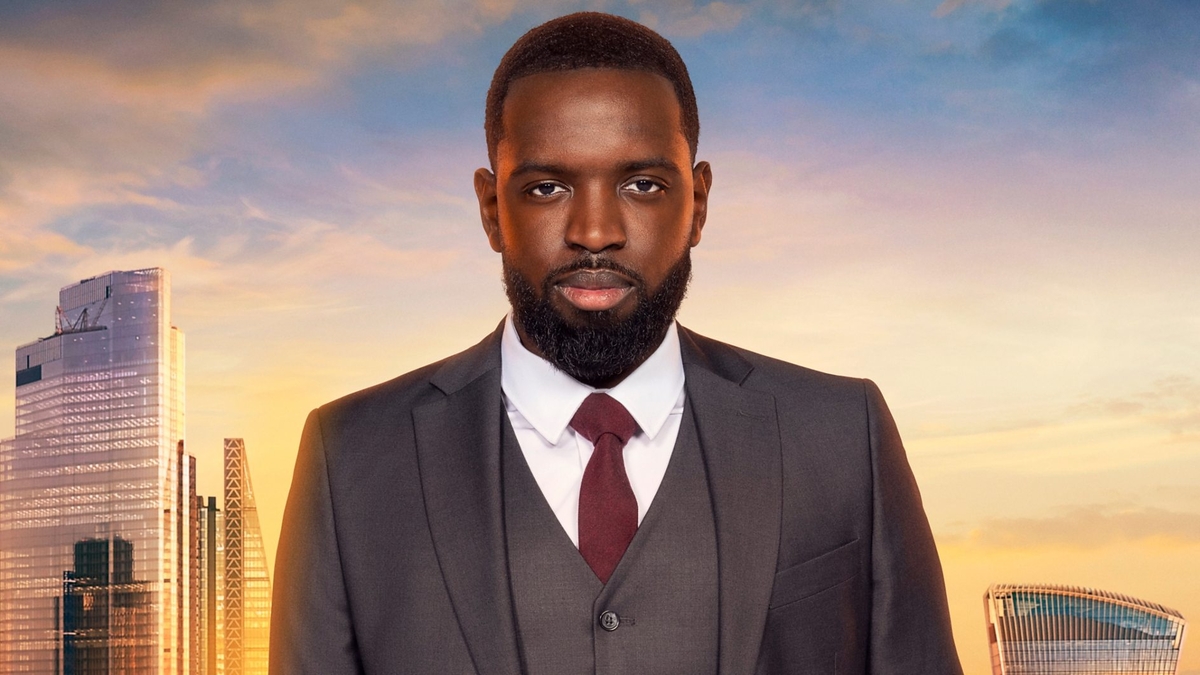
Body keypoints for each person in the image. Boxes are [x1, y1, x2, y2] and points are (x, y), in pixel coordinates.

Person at [270, 11, 963, 675]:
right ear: (491, 211)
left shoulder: (842, 434)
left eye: (641, 183)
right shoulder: (353, 456)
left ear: (698, 202)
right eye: (546, 187)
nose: (595, 231)